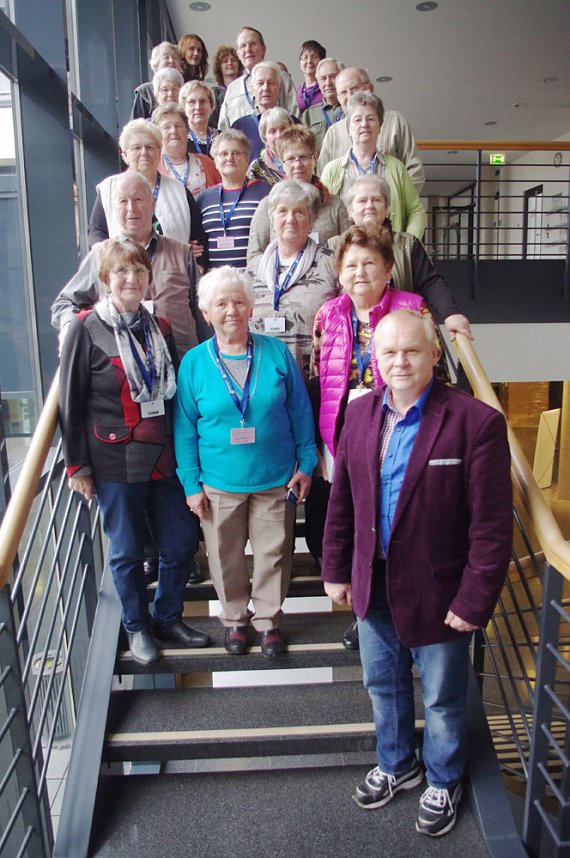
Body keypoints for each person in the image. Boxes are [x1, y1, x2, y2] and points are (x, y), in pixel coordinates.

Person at [321, 308, 512, 837]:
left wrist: (474, 599)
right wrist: (336, 568)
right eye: (389, 352)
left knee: (443, 697)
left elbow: (492, 529)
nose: (400, 361)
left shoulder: (477, 422)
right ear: (375, 360)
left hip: (441, 591)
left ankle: (444, 778)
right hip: (373, 584)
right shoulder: (358, 415)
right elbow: (342, 504)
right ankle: (397, 763)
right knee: (383, 685)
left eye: (411, 350)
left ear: (433, 353)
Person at [59, 238, 212, 666]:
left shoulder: (160, 328)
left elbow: (175, 398)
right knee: (126, 551)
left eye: (139, 271)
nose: (131, 279)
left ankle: (167, 616)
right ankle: (137, 627)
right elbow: (69, 403)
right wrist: (77, 466)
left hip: (163, 457)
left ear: (149, 279)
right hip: (113, 461)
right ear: (106, 280)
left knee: (181, 543)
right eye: (122, 272)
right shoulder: (84, 329)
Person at [174, 266, 317, 657]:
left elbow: (301, 411)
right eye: (221, 303)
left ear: (251, 307)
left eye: (239, 301)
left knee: (273, 553)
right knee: (225, 557)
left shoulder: (275, 352)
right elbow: (185, 429)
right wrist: (190, 485)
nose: (231, 310)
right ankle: (235, 620)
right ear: (206, 312)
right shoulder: (193, 363)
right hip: (218, 482)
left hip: (275, 477)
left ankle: (268, 622)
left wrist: (306, 461)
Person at [54, 172, 209, 359]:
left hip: (181, 366)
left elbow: (203, 314)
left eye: (138, 199)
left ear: (152, 205)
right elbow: (64, 303)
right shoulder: (101, 255)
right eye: (123, 202)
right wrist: (71, 331)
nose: (131, 208)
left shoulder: (182, 253)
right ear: (114, 208)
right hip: (123, 371)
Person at [331, 175, 472, 341]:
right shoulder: (334, 246)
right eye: (362, 201)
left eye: (376, 200)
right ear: (350, 210)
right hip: (349, 338)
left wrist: (451, 313)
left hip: (402, 338)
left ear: (387, 207)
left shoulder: (407, 243)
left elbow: (431, 282)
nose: (370, 206)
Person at [87, 119, 208, 268]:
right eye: (137, 148)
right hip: (124, 277)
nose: (144, 153)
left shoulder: (180, 191)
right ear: (125, 154)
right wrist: (105, 254)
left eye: (150, 147)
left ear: (159, 151)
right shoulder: (109, 189)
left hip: (171, 279)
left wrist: (194, 259)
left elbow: (199, 237)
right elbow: (96, 231)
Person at [248, 179, 338, 380]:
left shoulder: (330, 263)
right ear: (272, 218)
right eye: (282, 211)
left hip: (314, 381)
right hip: (261, 381)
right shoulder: (253, 268)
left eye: (299, 212)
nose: (290, 219)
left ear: (311, 219)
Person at [320, 92, 426, 239]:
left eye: (370, 119)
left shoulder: (397, 168)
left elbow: (416, 211)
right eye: (357, 120)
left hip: (389, 254)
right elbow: (322, 215)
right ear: (349, 128)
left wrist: (407, 246)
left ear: (380, 126)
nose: (364, 124)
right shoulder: (331, 170)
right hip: (347, 255)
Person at [247, 126, 351, 261]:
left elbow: (351, 251)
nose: (297, 165)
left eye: (303, 157)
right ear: (281, 163)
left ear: (315, 158)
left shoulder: (335, 205)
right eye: (290, 159)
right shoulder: (268, 206)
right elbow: (254, 256)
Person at [317, 67, 424, 192]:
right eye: (343, 92)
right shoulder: (333, 133)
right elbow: (321, 181)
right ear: (339, 98)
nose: (350, 96)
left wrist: (394, 203)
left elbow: (415, 170)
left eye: (354, 89)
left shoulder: (395, 122)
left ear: (370, 89)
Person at [196, 130, 271, 268]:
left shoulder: (266, 192)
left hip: (254, 279)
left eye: (236, 153)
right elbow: (198, 241)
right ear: (216, 162)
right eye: (223, 154)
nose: (229, 158)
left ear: (247, 158)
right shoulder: (204, 198)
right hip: (215, 282)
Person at [218, 26, 298, 130]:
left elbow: (294, 116)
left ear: (263, 49)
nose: (248, 50)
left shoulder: (282, 78)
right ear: (238, 54)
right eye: (243, 46)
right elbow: (224, 130)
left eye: (253, 44)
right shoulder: (233, 89)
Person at [231, 62, 295, 164]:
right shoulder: (239, 127)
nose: (265, 88)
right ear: (253, 89)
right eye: (260, 83)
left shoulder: (293, 124)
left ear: (279, 88)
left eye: (271, 83)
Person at [153, 103, 220, 197]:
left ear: (187, 130)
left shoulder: (207, 163)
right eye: (166, 127)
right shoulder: (152, 166)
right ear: (157, 134)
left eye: (178, 126)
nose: (173, 131)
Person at [131, 41, 184, 120]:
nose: (171, 61)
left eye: (175, 57)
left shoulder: (187, 88)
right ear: (156, 64)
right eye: (166, 57)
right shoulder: (144, 91)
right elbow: (135, 124)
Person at [301, 58, 345, 152]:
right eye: (323, 79)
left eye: (333, 77)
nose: (328, 83)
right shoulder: (309, 115)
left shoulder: (352, 110)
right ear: (318, 83)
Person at [246, 107, 292, 185]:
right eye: (272, 131)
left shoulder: (302, 159)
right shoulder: (257, 168)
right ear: (265, 138)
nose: (279, 135)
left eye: (283, 129)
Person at [180, 80, 219, 158]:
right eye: (192, 102)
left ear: (211, 106)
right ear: (183, 107)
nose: (198, 107)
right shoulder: (179, 139)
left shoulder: (222, 138)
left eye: (203, 101)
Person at [296, 40, 326, 114]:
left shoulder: (326, 87)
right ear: (300, 63)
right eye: (305, 57)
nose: (309, 61)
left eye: (314, 57)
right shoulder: (298, 92)